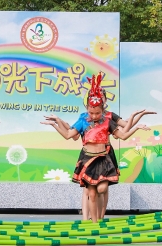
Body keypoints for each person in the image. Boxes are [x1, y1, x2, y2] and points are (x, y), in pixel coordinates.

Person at [42, 73, 148, 223]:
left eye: (97, 113)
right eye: (91, 112)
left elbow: (123, 134)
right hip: (87, 159)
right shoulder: (83, 120)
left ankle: (100, 217)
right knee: (90, 193)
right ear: (87, 108)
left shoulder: (108, 120)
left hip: (104, 158)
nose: (94, 116)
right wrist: (55, 123)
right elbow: (69, 134)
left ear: (103, 107)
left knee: (102, 189)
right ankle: (93, 223)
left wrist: (136, 124)